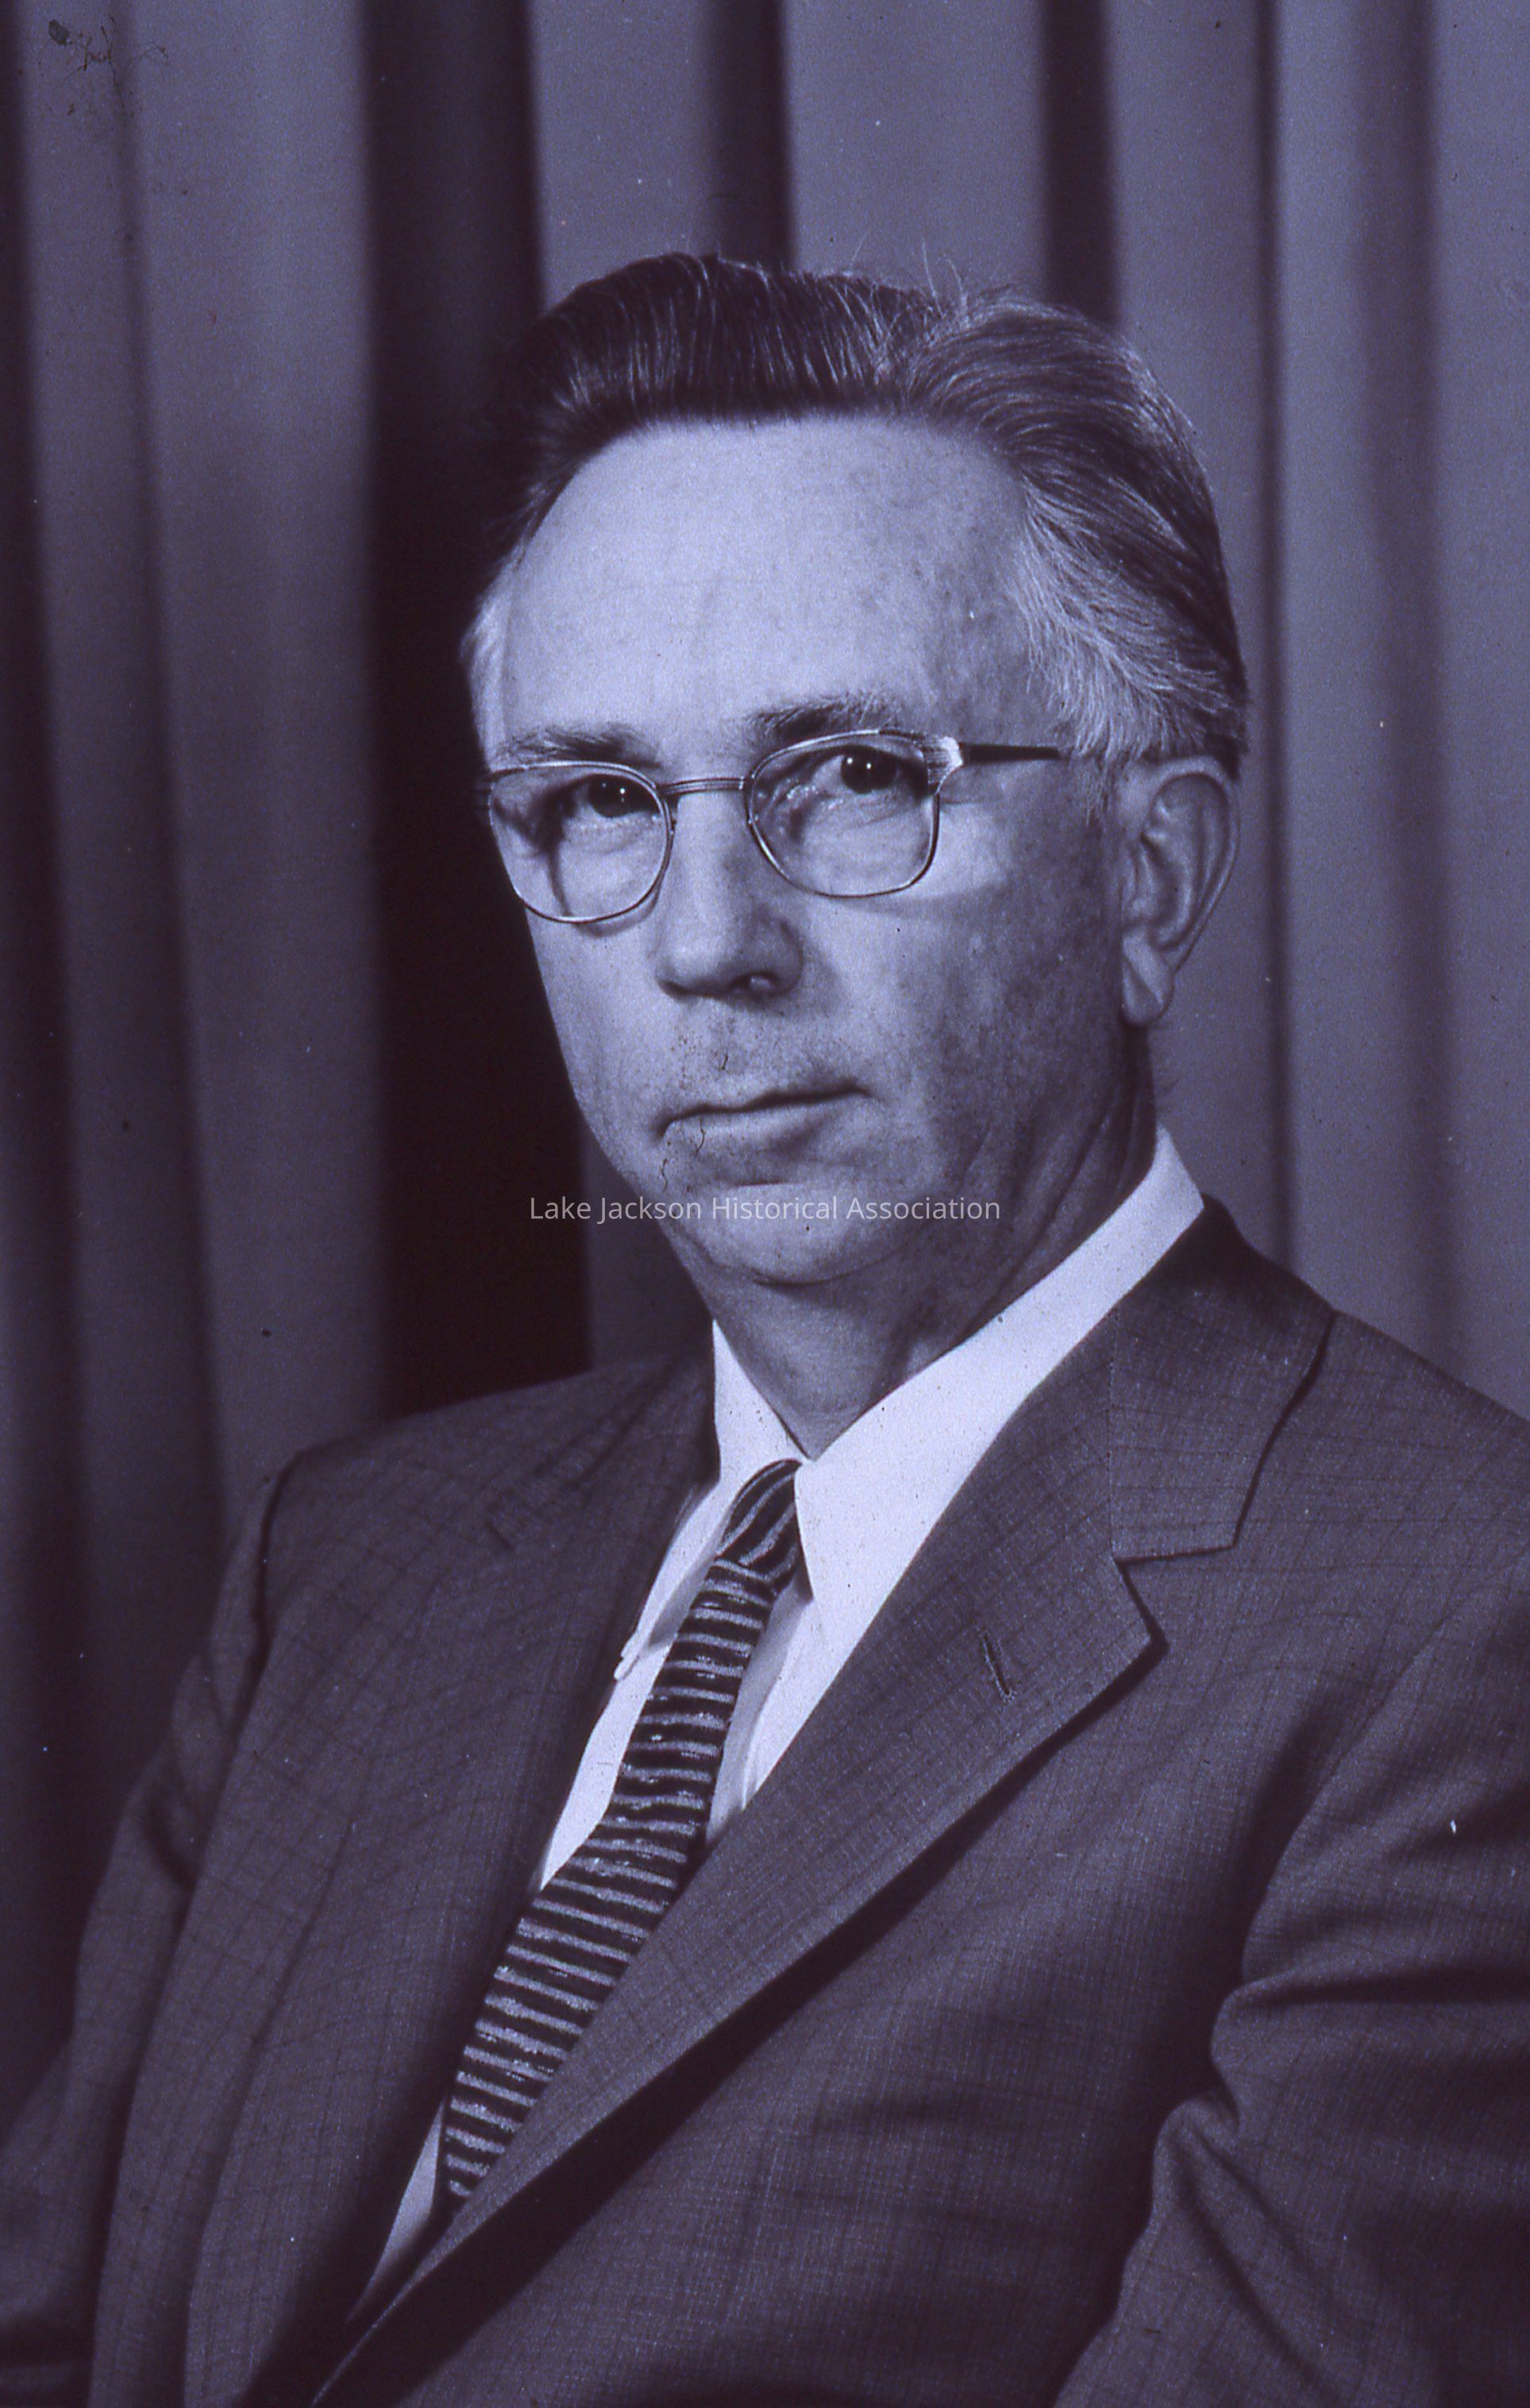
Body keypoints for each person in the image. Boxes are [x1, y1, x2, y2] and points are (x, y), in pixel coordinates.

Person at [2, 253, 1528, 2408]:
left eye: (853, 777)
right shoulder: (347, 1560)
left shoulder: (1457, 1631)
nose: (706, 944)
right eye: (599, 803)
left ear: (1153, 877)